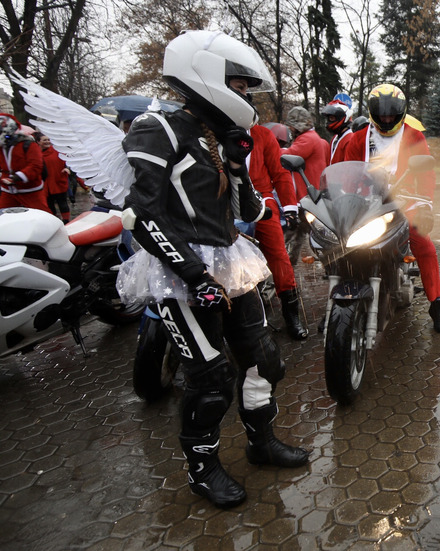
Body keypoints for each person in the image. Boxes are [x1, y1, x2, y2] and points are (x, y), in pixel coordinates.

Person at [114, 30, 309, 509]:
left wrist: (249, 177)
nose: (244, 95)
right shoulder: (156, 128)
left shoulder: (218, 138)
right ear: (207, 75)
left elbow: (241, 209)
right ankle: (202, 470)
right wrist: (194, 276)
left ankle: (261, 444)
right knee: (210, 379)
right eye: (239, 84)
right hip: (179, 272)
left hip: (230, 261)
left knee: (265, 361)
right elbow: (140, 215)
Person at [331, 83, 440, 333]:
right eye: (381, 114)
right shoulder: (359, 137)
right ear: (373, 112)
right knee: (339, 241)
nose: (386, 118)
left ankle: (436, 302)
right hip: (366, 201)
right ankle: (335, 304)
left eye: (390, 114)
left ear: (400, 112)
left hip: (404, 199)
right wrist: (341, 196)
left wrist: (426, 204)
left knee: (423, 244)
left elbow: (426, 174)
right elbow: (347, 173)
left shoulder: (414, 136)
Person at [228, 73, 309, 340]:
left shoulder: (262, 135)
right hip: (223, 203)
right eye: (235, 89)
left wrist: (289, 206)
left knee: (278, 255)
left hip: (261, 200)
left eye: (244, 91)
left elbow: (280, 173)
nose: (241, 95)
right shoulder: (212, 131)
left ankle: (291, 314)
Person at [0, 113, 51, 213]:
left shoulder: (28, 144)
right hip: (8, 190)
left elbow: (35, 166)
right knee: (1, 216)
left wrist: (18, 177)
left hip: (30, 190)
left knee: (43, 215)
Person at [282, 106, 330, 203]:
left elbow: (289, 154)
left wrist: (271, 148)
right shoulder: (313, 137)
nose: (289, 128)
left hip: (308, 194)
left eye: (291, 125)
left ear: (298, 126)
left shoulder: (307, 139)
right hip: (314, 191)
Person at [36, 132, 73, 222]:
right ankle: (54, 221)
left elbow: (69, 160)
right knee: (49, 204)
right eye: (45, 140)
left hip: (58, 181)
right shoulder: (35, 154)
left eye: (48, 140)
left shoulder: (57, 151)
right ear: (38, 142)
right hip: (45, 185)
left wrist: (67, 169)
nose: (47, 142)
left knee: (62, 203)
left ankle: (66, 222)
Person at [321, 96, 353, 162]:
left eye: (332, 118)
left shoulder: (350, 139)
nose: (329, 122)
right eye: (329, 119)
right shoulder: (335, 138)